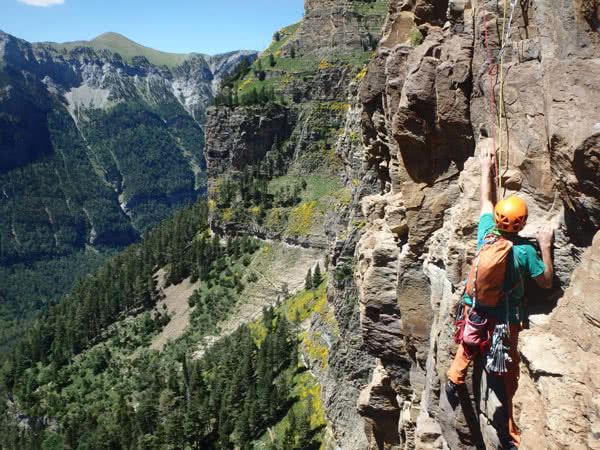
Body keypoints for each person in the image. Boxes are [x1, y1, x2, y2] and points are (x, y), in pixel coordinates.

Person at [445, 149, 554, 449]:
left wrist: (485, 169)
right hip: (508, 318)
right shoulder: (525, 253)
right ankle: (511, 430)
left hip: (478, 309)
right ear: (522, 224)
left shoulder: (486, 236)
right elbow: (545, 283)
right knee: (508, 373)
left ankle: (454, 380)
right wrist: (545, 246)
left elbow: (485, 203)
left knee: (469, 343)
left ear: (498, 220)